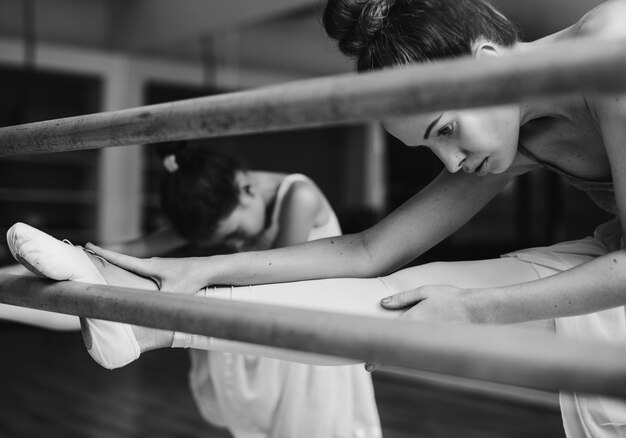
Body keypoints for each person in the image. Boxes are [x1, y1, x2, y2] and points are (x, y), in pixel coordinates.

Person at [7, 0, 626, 436]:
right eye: (430, 147)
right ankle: (144, 320)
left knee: (450, 304)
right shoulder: (511, 130)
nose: (451, 161)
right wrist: (195, 268)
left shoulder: (610, 47)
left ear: (488, 63)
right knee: (400, 300)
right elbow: (368, 252)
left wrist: (469, 312)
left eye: (446, 131)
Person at [6, 145, 383, 438]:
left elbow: (275, 279)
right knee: (119, 289)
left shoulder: (298, 195)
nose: (238, 242)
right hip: (260, 321)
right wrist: (91, 254)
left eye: (235, 234)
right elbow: (134, 249)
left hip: (298, 325)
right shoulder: (212, 206)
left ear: (248, 190)